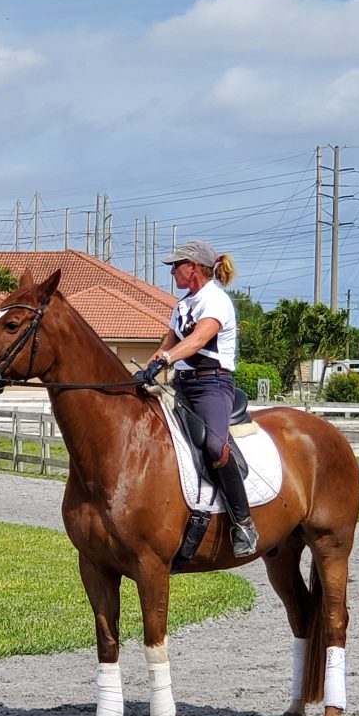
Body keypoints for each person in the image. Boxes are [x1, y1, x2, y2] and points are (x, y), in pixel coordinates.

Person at [138, 239, 259, 558]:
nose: (172, 271)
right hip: (183, 383)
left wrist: (164, 360)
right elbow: (168, 343)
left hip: (213, 385)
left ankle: (244, 523)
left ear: (193, 267)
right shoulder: (181, 306)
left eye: (176, 265)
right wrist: (143, 370)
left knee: (215, 447)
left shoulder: (215, 300)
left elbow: (198, 340)